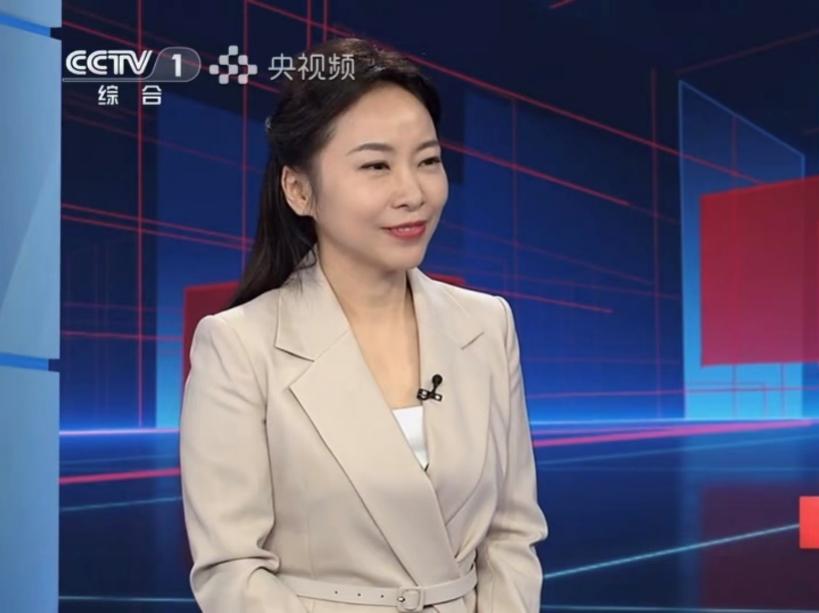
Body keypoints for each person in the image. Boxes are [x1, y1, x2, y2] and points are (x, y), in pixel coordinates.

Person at [179, 36, 548, 613]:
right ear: (300, 190)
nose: (413, 192)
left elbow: (511, 536)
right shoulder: (238, 346)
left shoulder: (487, 324)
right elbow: (232, 572)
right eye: (377, 166)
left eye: (428, 161)